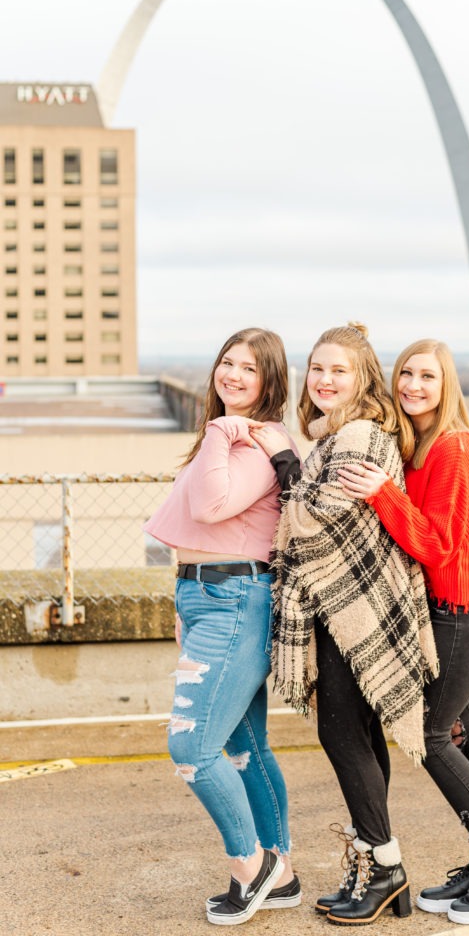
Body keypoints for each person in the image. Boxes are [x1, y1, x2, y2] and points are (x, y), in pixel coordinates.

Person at [338, 339, 469, 926]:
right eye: (406, 374)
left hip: (465, 610)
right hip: (458, 608)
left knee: (429, 735)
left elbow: (435, 543)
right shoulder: (418, 447)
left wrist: (380, 492)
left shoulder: (452, 448)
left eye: (428, 376)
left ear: (447, 385)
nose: (414, 385)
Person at [250, 323, 438, 926]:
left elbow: (314, 521)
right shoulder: (341, 435)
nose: (325, 380)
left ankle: (384, 867)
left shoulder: (357, 434)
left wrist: (285, 468)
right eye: (318, 368)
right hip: (348, 612)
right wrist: (301, 472)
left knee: (343, 737)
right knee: (356, 738)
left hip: (355, 612)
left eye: (340, 371)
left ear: (362, 380)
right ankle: (379, 867)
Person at [143, 327, 301, 927]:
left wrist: (218, 430)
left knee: (191, 745)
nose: (233, 375)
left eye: (249, 369)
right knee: (243, 745)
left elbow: (210, 508)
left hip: (237, 599)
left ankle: (251, 866)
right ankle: (280, 875)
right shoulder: (236, 437)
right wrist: (184, 606)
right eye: (227, 363)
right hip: (208, 596)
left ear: (269, 383)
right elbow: (195, 534)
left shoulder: (256, 441)